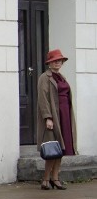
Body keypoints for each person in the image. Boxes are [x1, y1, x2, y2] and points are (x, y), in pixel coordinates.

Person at [36, 48, 77, 190]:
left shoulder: (62, 77)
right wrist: (48, 117)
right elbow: (43, 99)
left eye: (59, 60)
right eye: (55, 61)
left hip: (64, 115)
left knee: (62, 149)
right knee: (53, 149)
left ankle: (55, 178)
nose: (58, 63)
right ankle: (46, 179)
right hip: (54, 116)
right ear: (49, 63)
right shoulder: (44, 78)